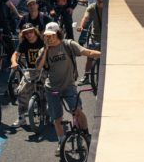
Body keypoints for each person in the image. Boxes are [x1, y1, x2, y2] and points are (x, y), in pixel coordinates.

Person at [37, 22, 100, 154]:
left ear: (58, 34)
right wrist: (46, 50)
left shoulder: (68, 45)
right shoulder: (44, 50)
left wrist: (104, 54)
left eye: (52, 35)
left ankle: (86, 134)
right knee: (57, 118)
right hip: (52, 88)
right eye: (46, 36)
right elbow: (38, 66)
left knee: (77, 111)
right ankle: (61, 141)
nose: (49, 38)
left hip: (68, 86)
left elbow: (85, 51)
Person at [10, 23, 45, 127]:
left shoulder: (42, 41)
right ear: (23, 35)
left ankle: (51, 114)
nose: (29, 34)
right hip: (30, 70)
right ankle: (21, 118)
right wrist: (14, 62)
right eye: (26, 33)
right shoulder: (24, 43)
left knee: (49, 90)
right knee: (21, 91)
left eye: (31, 31)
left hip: (44, 70)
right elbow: (15, 54)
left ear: (35, 31)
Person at [76, 0, 104, 85]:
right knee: (90, 56)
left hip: (107, 37)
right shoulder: (92, 7)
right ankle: (86, 76)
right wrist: (81, 25)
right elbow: (85, 16)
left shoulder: (109, 6)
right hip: (95, 36)